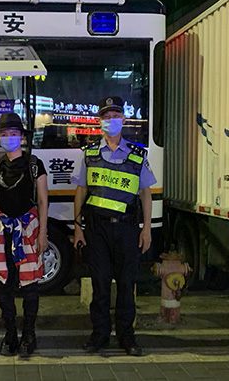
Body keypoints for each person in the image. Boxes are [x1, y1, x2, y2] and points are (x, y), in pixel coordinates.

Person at [72, 96, 156, 357]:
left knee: (126, 285)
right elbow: (81, 191)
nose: (111, 121)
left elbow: (145, 193)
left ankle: (126, 337)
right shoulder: (89, 154)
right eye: (106, 117)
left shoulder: (137, 155)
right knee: (100, 285)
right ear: (99, 122)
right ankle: (99, 335)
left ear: (124, 119)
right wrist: (78, 228)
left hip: (127, 230)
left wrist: (146, 229)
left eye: (115, 116)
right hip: (97, 230)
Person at [0, 112, 48, 357]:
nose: (9, 138)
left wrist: (43, 233)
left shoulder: (35, 165)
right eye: (4, 134)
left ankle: (29, 334)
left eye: (13, 134)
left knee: (30, 286)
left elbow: (43, 201)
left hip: (28, 232)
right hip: (1, 233)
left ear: (21, 137)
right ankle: (10, 334)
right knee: (4, 286)